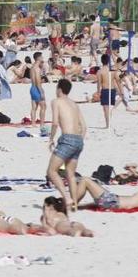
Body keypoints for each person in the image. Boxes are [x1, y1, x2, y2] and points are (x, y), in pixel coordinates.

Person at [46, 79, 86, 211]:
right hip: (78, 140)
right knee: (70, 173)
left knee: (52, 171)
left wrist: (51, 139)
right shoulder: (74, 104)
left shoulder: (56, 102)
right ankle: (74, 203)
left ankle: (67, 197)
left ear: (59, 89)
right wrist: (78, 139)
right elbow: (84, 126)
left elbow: (55, 123)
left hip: (68, 139)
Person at [97, 53, 118, 129]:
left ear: (101, 61)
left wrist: (98, 92)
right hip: (112, 90)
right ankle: (109, 123)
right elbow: (117, 80)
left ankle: (108, 124)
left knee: (106, 109)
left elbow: (99, 83)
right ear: (109, 61)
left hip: (105, 90)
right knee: (110, 108)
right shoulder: (112, 71)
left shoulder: (100, 71)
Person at [29, 51, 46, 124]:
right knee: (43, 106)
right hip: (36, 88)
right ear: (38, 58)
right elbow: (38, 81)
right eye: (42, 57)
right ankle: (42, 124)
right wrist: (41, 91)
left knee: (34, 107)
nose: (43, 58)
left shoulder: (32, 67)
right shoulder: (37, 69)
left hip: (32, 87)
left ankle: (33, 123)